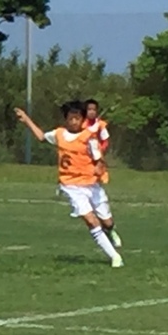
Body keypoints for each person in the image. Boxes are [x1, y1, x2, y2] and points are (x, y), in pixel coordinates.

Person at [14, 102, 123, 267]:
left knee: (106, 221)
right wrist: (27, 120)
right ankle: (115, 257)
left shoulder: (89, 138)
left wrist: (98, 169)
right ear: (66, 119)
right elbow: (42, 137)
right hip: (71, 186)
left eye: (77, 118)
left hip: (91, 185)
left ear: (82, 120)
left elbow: (99, 160)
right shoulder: (59, 134)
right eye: (70, 118)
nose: (73, 121)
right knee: (91, 221)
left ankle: (110, 230)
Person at [81, 98, 121, 247]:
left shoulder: (100, 125)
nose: (91, 112)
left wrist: (99, 151)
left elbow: (105, 141)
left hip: (96, 162)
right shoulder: (80, 125)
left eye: (93, 109)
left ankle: (110, 229)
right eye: (89, 109)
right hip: (83, 162)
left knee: (98, 195)